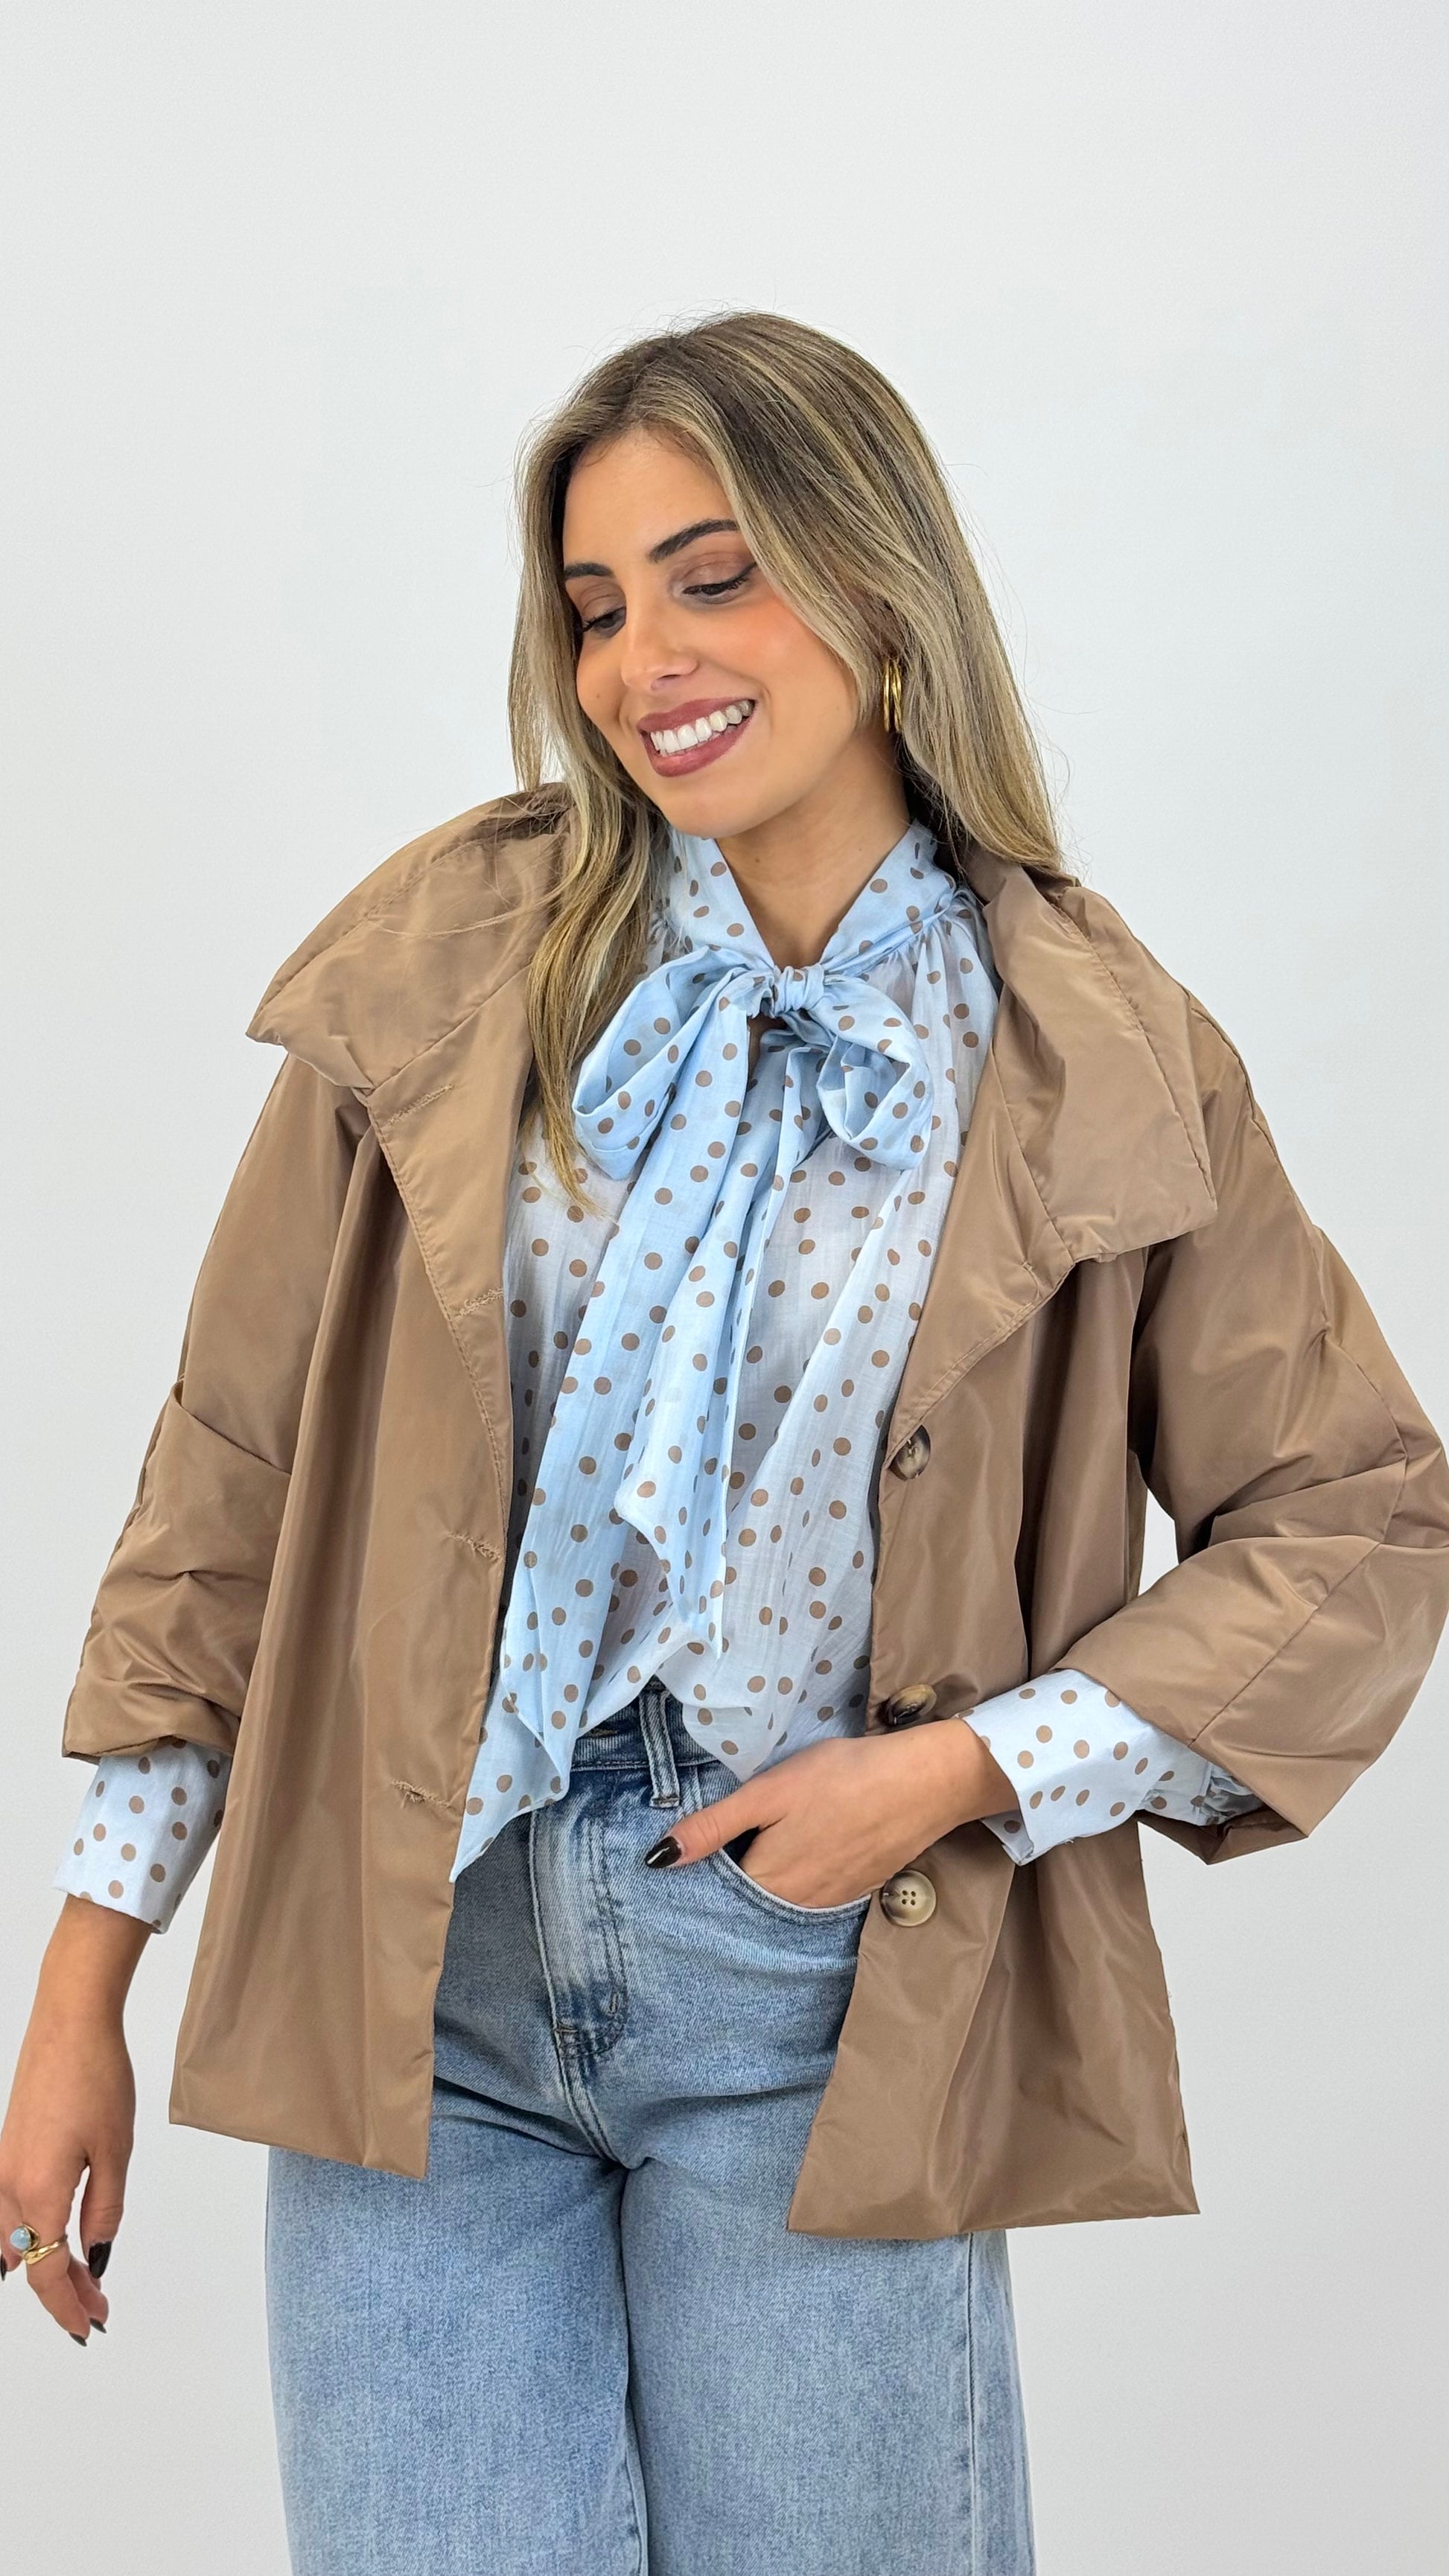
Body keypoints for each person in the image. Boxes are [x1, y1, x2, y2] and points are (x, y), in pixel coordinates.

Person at [3, 310, 1446, 2576]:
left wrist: (959, 1771)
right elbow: (229, 1484)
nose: (641, 661)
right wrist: (83, 1975)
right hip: (417, 1978)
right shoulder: (451, 964)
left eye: (714, 575)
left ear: (876, 584)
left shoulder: (1091, 1051)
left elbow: (1356, 1519)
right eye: (595, 606)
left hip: (816, 1987)